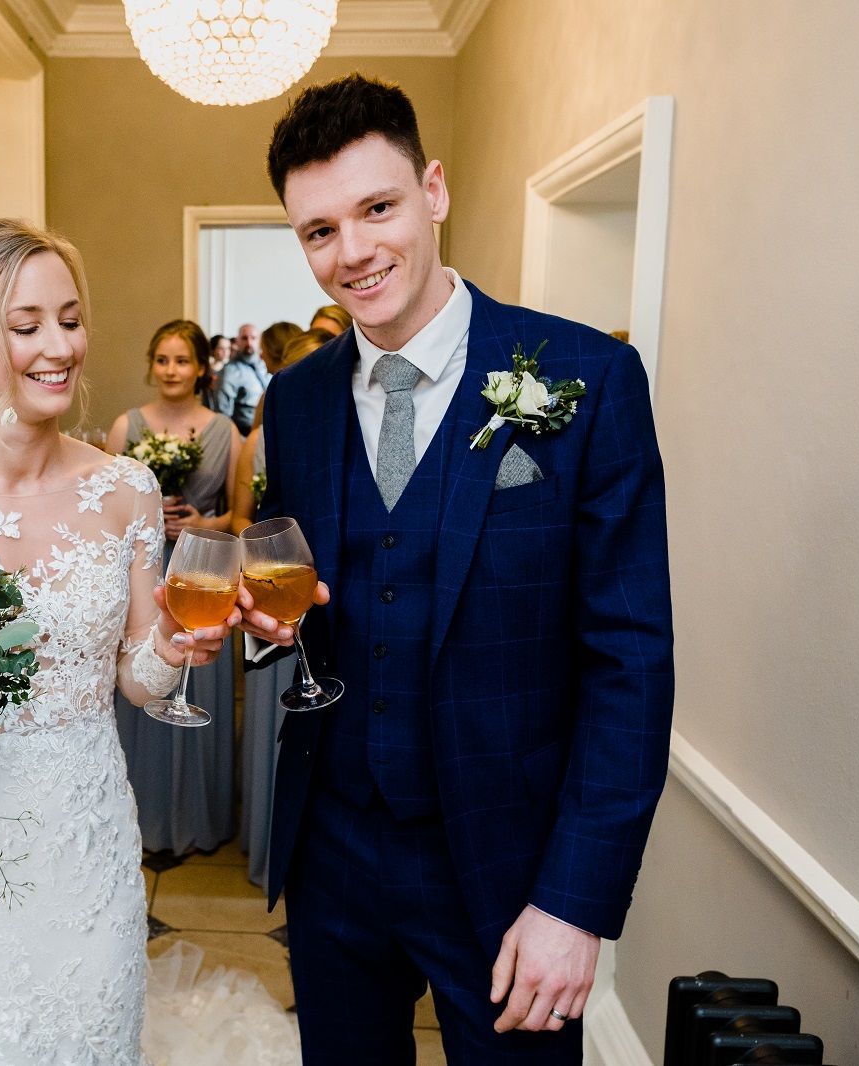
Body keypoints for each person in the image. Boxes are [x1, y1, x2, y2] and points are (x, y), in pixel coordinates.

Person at [238, 75, 673, 1064]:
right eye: (316, 231)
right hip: (334, 851)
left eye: (376, 207)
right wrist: (273, 629)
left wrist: (577, 898)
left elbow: (631, 661)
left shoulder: (585, 380)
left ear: (432, 190)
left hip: (509, 865)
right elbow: (294, 584)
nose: (351, 253)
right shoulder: (296, 402)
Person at [0, 221, 294, 1064]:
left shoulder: (123, 490)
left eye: (71, 318)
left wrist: (173, 644)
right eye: (26, 326)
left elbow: (137, 680)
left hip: (83, 849)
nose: (60, 346)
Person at [104, 321, 242, 854]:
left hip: (203, 570)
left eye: (182, 361)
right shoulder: (126, 426)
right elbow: (106, 513)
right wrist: (148, 520)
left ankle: (196, 821)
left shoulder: (224, 430)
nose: (171, 370)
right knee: (142, 684)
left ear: (202, 368)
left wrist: (201, 524)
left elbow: (238, 513)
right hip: (141, 571)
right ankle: (141, 821)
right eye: (162, 359)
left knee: (197, 686)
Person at [228, 327, 326, 889]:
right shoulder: (266, 437)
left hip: (335, 606)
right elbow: (244, 516)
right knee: (279, 728)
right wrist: (274, 555)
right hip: (278, 590)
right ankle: (271, 847)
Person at [214, 322, 271, 433]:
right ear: (237, 341)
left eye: (253, 338)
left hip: (269, 432)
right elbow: (223, 413)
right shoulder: (230, 372)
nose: (249, 343)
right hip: (243, 433)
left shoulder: (266, 365)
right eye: (244, 338)